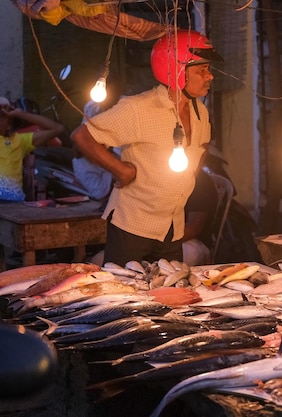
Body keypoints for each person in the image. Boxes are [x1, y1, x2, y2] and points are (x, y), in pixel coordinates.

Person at [71, 29, 224, 266]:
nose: (209, 76)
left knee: (168, 295)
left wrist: (184, 180)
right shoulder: (138, 108)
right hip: (133, 224)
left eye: (209, 69)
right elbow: (83, 136)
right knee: (126, 296)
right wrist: (122, 171)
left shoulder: (200, 112)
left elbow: (199, 150)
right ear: (176, 70)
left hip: (173, 226)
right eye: (202, 69)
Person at [0, 97, 65, 201]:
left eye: (2, 116)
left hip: (15, 204)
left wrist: (21, 114)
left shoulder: (18, 140)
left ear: (9, 125)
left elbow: (58, 129)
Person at [182, 167, 219, 266]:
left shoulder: (201, 182)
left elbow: (193, 229)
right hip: (163, 239)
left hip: (193, 242)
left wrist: (162, 243)